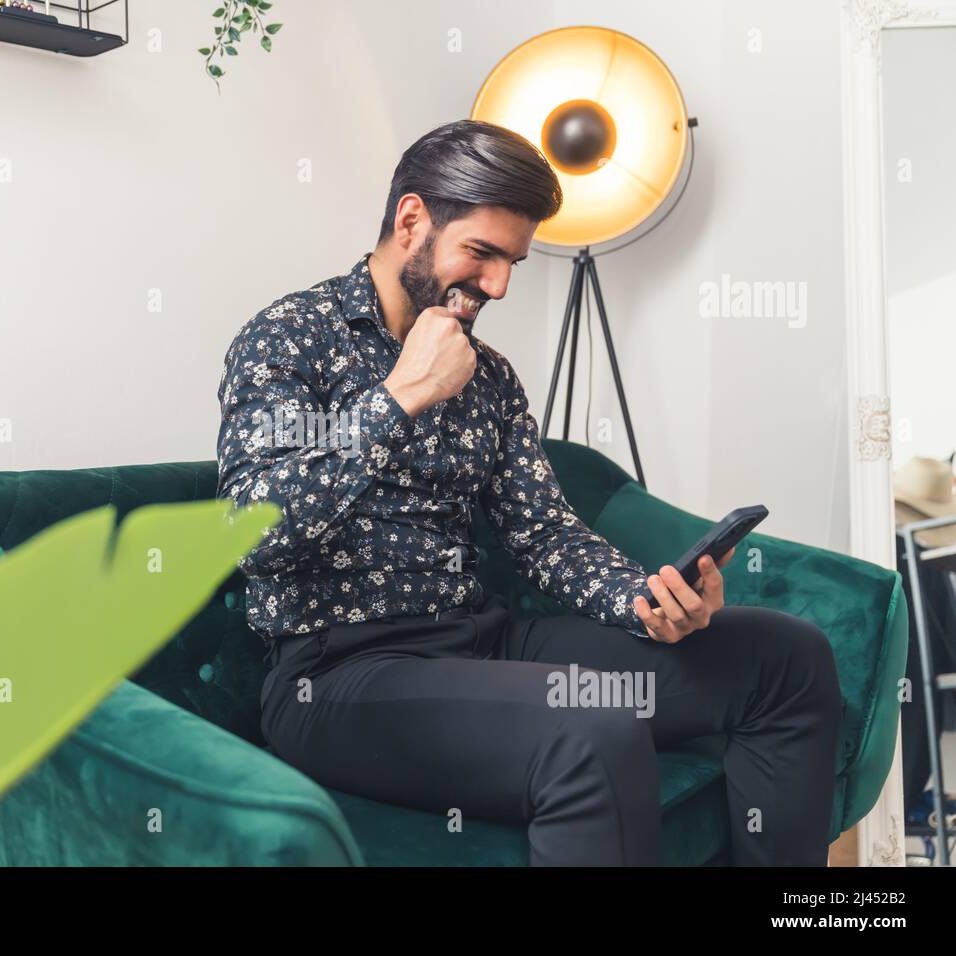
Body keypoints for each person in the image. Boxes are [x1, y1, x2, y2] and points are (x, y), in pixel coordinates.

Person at [215, 119, 843, 866]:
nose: (499, 285)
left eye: (512, 261)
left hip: (482, 640)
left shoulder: (489, 375)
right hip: (338, 676)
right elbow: (253, 535)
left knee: (785, 657)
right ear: (412, 219)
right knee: (592, 726)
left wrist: (644, 601)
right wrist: (399, 399)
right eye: (482, 253)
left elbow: (546, 535)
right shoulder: (289, 338)